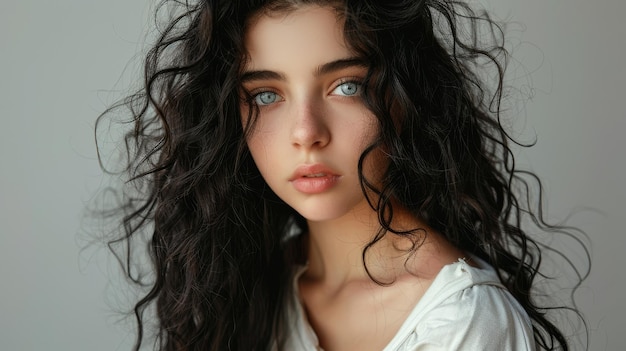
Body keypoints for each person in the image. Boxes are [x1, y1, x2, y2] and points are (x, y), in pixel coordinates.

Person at [96, 0, 588, 350]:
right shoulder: (243, 290)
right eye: (266, 95)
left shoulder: (461, 324)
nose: (306, 132)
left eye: (346, 86)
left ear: (404, 97)